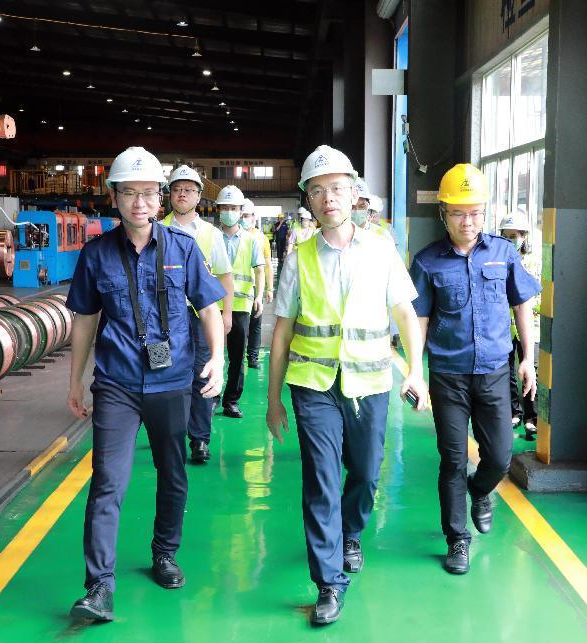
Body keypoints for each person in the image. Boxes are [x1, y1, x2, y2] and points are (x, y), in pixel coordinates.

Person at [266, 144, 428, 625]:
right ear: (308, 200)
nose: (328, 198)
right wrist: (273, 399)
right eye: (317, 191)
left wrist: (415, 371)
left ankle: (350, 533)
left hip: (370, 382)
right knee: (320, 479)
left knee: (365, 472)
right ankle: (328, 582)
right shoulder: (298, 258)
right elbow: (282, 332)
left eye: (336, 188)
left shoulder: (381, 251)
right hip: (313, 385)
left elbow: (406, 315)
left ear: (353, 193)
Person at [65, 147, 226, 621]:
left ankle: (165, 553)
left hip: (172, 382)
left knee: (172, 473)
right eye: (130, 193)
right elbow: (85, 320)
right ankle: (99, 586)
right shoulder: (96, 254)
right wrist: (75, 381)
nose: (140, 202)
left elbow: (209, 308)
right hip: (116, 383)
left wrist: (218, 359)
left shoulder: (183, 249)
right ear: (114, 197)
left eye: (149, 193)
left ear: (161, 198)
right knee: (107, 482)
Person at [409, 163, 541, 576]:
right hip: (447, 375)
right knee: (451, 459)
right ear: (443, 214)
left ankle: (480, 490)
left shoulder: (503, 253)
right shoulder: (428, 262)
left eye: (475, 212)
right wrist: (415, 371)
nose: (468, 221)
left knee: (500, 457)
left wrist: (527, 358)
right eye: (458, 213)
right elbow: (420, 319)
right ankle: (457, 539)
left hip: (494, 372)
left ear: (485, 212)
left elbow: (522, 304)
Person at [161, 164, 234, 463]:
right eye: (177, 189)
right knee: (164, 372)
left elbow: (225, 276)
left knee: (203, 374)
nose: (182, 194)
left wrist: (226, 314)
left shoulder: (211, 234)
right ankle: (167, 434)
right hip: (164, 320)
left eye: (188, 190)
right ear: (169, 194)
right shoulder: (156, 230)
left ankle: (200, 439)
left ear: (199, 196)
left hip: (202, 316)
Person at [217, 185, 265, 419]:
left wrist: (259, 296)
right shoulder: (211, 237)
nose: (229, 212)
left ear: (240, 210)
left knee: (237, 357)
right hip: (212, 306)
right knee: (211, 355)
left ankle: (231, 401)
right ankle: (210, 398)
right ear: (218, 210)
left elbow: (259, 270)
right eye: (225, 207)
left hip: (240, 307)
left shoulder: (251, 240)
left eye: (233, 208)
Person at [498, 209, 540, 441]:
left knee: (530, 369)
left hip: (530, 326)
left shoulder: (535, 262)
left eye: (515, 236)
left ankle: (532, 417)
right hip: (504, 326)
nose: (510, 240)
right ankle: (514, 412)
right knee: (507, 372)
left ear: (525, 236)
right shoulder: (498, 261)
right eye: (506, 236)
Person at [241, 198, 274, 369]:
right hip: (237, 288)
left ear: (254, 217)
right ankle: (238, 357)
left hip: (255, 286)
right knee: (240, 325)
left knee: (255, 323)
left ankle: (252, 357)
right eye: (242, 215)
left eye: (247, 215)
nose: (244, 219)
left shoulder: (261, 238)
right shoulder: (233, 235)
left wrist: (269, 288)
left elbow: (267, 265)